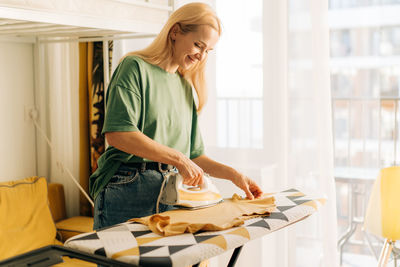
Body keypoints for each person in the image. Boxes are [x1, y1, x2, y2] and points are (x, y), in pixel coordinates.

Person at [90, 2, 263, 230]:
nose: (201, 56)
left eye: (207, 51)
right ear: (175, 32)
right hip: (127, 186)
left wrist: (235, 176)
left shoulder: (185, 87)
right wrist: (179, 159)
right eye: (198, 45)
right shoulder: (134, 68)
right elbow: (119, 134)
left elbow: (195, 156)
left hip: (171, 190)